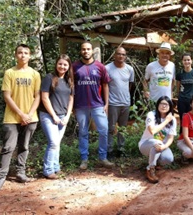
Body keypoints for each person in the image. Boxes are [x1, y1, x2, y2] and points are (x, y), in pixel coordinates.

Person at [0, 44, 41, 192]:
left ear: (30, 56)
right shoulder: (9, 73)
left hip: (31, 118)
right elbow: (7, 96)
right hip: (12, 117)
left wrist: (29, 114)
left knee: (24, 146)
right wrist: (21, 114)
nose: (23, 55)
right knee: (8, 147)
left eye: (26, 53)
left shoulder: (35, 74)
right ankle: (1, 177)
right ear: (15, 55)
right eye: (20, 52)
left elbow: (37, 96)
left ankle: (20, 172)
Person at [73, 41, 113, 170]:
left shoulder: (100, 67)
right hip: (80, 105)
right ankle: (84, 159)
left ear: (92, 51)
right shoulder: (74, 67)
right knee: (83, 132)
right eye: (83, 49)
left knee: (104, 130)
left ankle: (103, 157)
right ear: (81, 51)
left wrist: (106, 103)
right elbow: (71, 87)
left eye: (88, 49)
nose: (86, 51)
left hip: (97, 105)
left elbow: (106, 85)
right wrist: (72, 105)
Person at [39, 54, 74, 179]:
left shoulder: (69, 81)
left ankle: (55, 167)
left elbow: (71, 99)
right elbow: (44, 97)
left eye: (65, 64)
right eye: (60, 64)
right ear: (56, 64)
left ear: (68, 66)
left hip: (62, 116)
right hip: (48, 115)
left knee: (57, 143)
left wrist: (67, 116)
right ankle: (48, 170)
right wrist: (53, 116)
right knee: (53, 142)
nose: (62, 66)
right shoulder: (49, 78)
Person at [138, 96, 177, 183]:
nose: (164, 106)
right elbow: (152, 131)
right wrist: (166, 121)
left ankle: (155, 162)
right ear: (157, 105)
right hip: (145, 144)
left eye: (166, 104)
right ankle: (150, 169)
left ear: (170, 107)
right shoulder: (151, 115)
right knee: (157, 143)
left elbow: (171, 138)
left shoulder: (173, 120)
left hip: (160, 145)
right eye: (162, 104)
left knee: (168, 159)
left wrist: (165, 147)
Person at [105, 47, 134, 158]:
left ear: (125, 56)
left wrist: (126, 98)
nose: (121, 56)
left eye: (123, 54)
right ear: (114, 55)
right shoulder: (107, 68)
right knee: (111, 128)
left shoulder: (130, 69)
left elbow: (130, 85)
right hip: (112, 103)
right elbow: (105, 86)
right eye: (118, 54)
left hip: (125, 103)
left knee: (123, 128)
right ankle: (110, 150)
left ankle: (121, 149)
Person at [175, 52, 193, 132]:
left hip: (192, 100)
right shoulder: (180, 74)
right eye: (185, 60)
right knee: (183, 118)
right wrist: (178, 97)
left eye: (188, 60)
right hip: (182, 100)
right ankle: (182, 136)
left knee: (192, 119)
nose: (187, 62)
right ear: (182, 61)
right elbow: (178, 88)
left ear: (191, 61)